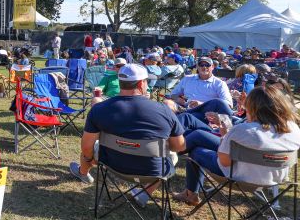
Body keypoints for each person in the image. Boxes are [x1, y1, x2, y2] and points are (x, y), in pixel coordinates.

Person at [69, 64, 186, 207]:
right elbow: (179, 146)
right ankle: (145, 193)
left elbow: (86, 146)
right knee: (172, 156)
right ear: (141, 83)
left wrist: (89, 159)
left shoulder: (99, 109)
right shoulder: (164, 110)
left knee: (90, 148)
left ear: (120, 82)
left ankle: (83, 172)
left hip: (111, 165)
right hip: (152, 170)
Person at [172, 86, 300, 206]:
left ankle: (190, 192)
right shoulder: (294, 129)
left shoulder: (243, 130)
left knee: (196, 150)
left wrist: (225, 136)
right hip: (274, 178)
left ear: (253, 107)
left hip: (240, 178)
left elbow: (224, 162)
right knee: (199, 136)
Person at [166, 56, 233, 118]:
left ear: (212, 67)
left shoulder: (219, 83)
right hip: (186, 108)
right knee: (166, 104)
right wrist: (178, 99)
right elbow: (173, 94)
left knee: (186, 116)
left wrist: (202, 104)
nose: (204, 67)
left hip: (205, 113)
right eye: (201, 65)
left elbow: (227, 104)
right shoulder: (187, 79)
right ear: (197, 67)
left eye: (207, 65)